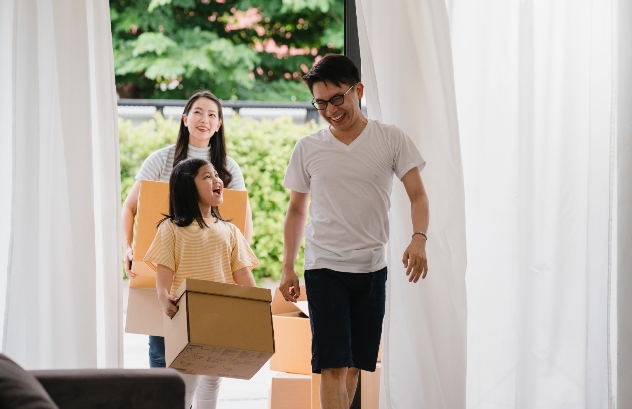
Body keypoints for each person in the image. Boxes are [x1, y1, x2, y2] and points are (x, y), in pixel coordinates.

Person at [279, 54, 430, 409]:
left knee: (353, 367)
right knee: (331, 366)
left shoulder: (391, 139)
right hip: (324, 267)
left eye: (337, 98)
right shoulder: (308, 147)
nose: (331, 109)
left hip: (371, 268)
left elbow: (418, 195)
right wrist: (288, 266)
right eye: (321, 102)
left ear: (357, 90)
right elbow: (297, 210)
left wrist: (419, 237)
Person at [121, 90, 253, 368]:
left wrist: (241, 266)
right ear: (184, 119)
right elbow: (130, 207)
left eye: (212, 114)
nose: (204, 119)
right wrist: (127, 247)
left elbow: (241, 220)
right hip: (163, 267)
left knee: (207, 356)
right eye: (197, 112)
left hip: (210, 273)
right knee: (160, 351)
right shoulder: (161, 159)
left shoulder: (228, 168)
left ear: (219, 125)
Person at [144, 157, 258, 409]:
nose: (217, 180)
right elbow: (164, 270)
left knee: (212, 381)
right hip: (187, 317)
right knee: (186, 381)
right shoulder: (171, 228)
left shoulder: (230, 231)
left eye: (217, 175)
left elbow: (242, 274)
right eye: (207, 176)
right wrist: (164, 296)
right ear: (187, 186)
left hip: (221, 318)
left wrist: (257, 308)